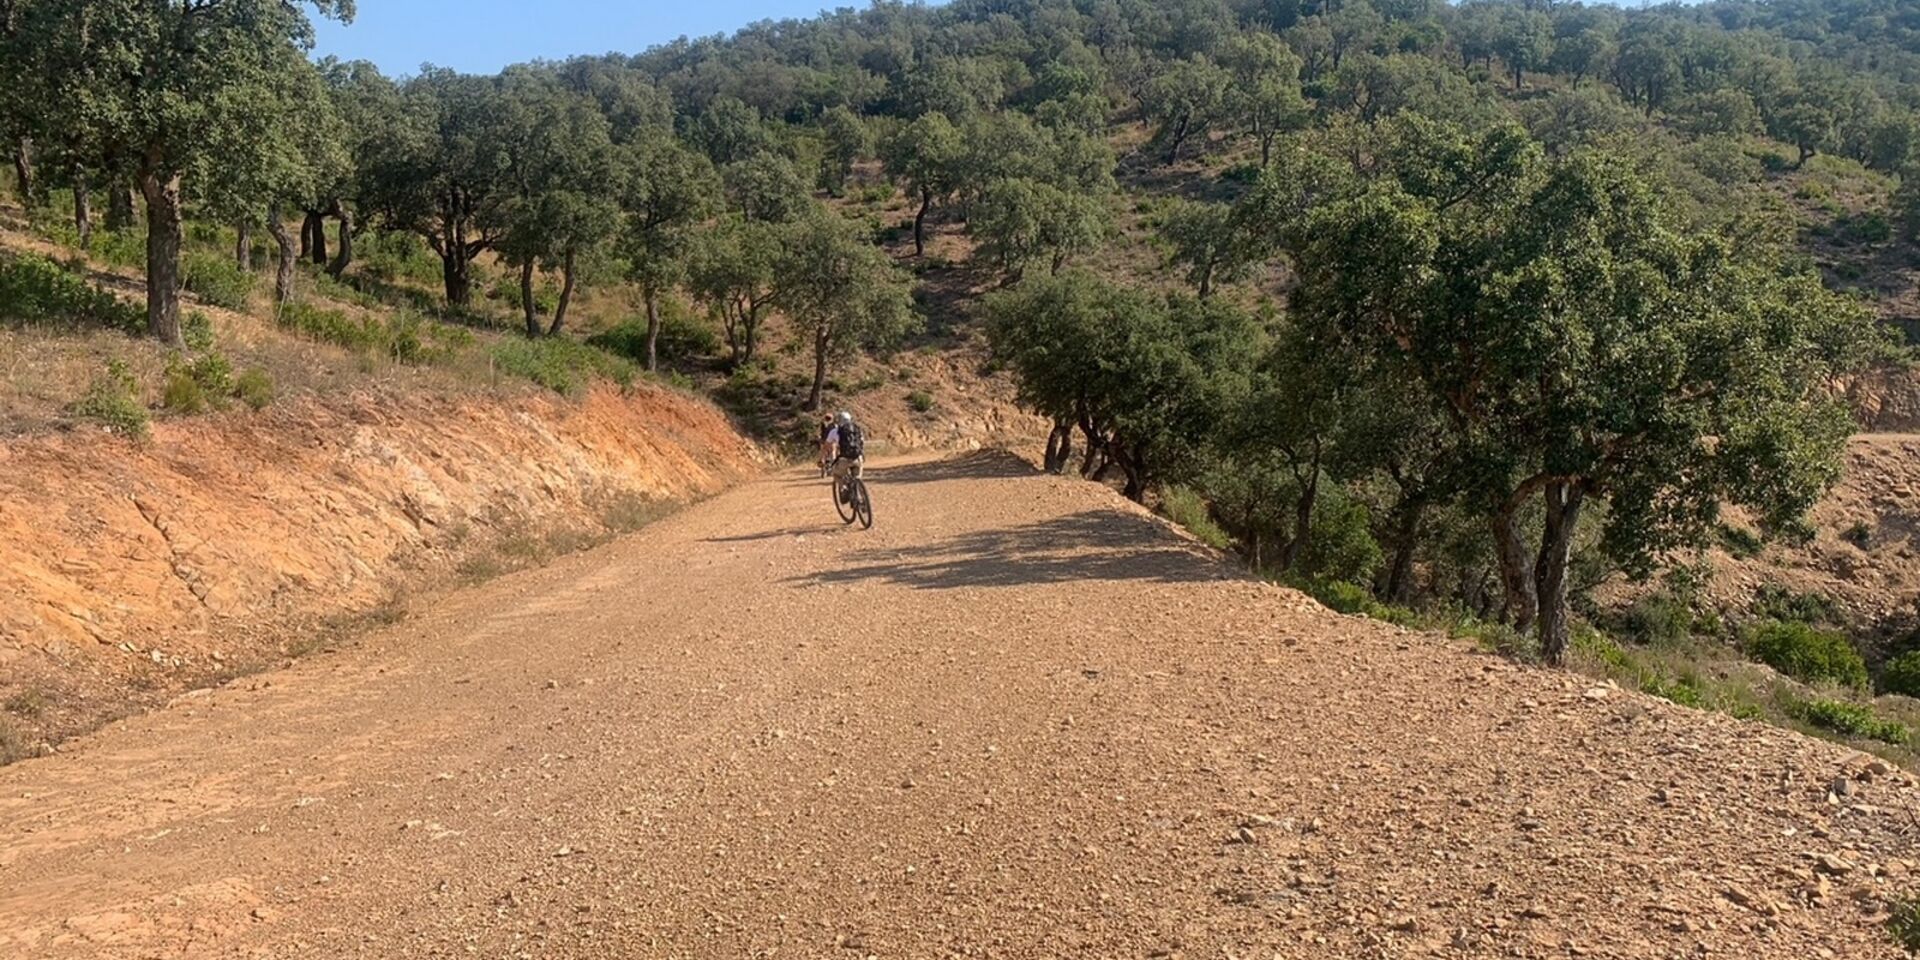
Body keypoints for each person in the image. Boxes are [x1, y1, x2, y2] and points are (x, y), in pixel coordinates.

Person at [823, 410, 865, 491]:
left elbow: (826, 446)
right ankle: (858, 490)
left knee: (836, 475)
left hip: (844, 459)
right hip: (858, 458)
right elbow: (862, 442)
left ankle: (844, 487)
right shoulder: (857, 429)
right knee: (857, 477)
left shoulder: (835, 431)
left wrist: (822, 458)